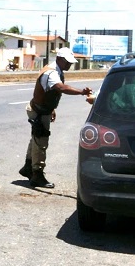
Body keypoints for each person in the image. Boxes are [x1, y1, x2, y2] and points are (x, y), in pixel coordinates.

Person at [19, 47, 92, 188]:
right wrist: (82, 92)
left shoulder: (55, 70)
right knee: (41, 141)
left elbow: (49, 91)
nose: (69, 64)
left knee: (36, 138)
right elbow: (60, 87)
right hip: (39, 111)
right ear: (59, 59)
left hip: (41, 109)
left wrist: (51, 108)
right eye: (67, 62)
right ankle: (37, 174)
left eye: (70, 62)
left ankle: (28, 166)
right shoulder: (52, 72)